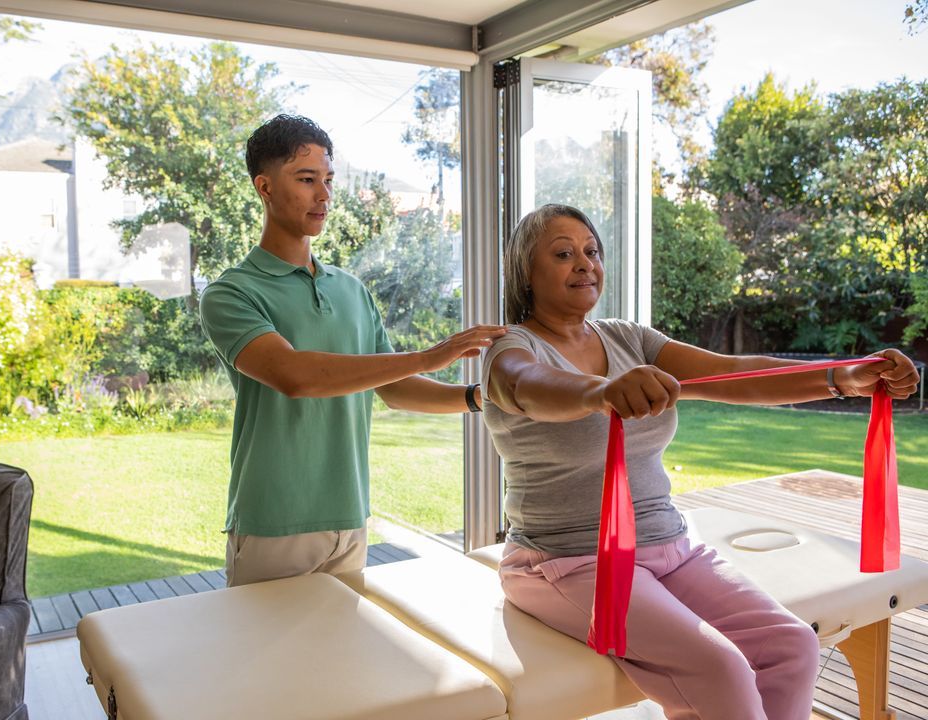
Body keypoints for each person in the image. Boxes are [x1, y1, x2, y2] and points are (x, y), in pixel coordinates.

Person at [481, 203, 920, 720]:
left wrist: (842, 377)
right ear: (525, 273)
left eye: (591, 251)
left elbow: (734, 373)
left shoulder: (629, 339)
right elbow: (529, 389)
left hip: (671, 547)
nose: (584, 263)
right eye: (562, 253)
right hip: (563, 562)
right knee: (721, 669)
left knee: (792, 646)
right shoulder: (510, 349)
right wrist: (600, 392)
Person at [200, 114, 505, 587]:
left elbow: (396, 388)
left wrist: (477, 398)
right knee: (267, 663)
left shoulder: (351, 289)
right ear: (264, 187)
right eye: (306, 180)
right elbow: (295, 375)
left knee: (342, 659)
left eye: (328, 180)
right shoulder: (230, 294)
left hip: (351, 517)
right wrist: (428, 355)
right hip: (274, 522)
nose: (323, 195)